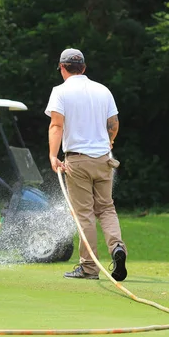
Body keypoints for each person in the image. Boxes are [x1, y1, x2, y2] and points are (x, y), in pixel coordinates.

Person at [45, 48, 128, 281]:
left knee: (84, 214)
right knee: (106, 208)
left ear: (62, 68)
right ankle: (117, 248)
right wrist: (108, 142)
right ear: (84, 67)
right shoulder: (103, 90)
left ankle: (89, 267)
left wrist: (53, 156)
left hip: (77, 161)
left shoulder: (60, 92)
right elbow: (113, 123)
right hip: (104, 159)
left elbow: (56, 125)